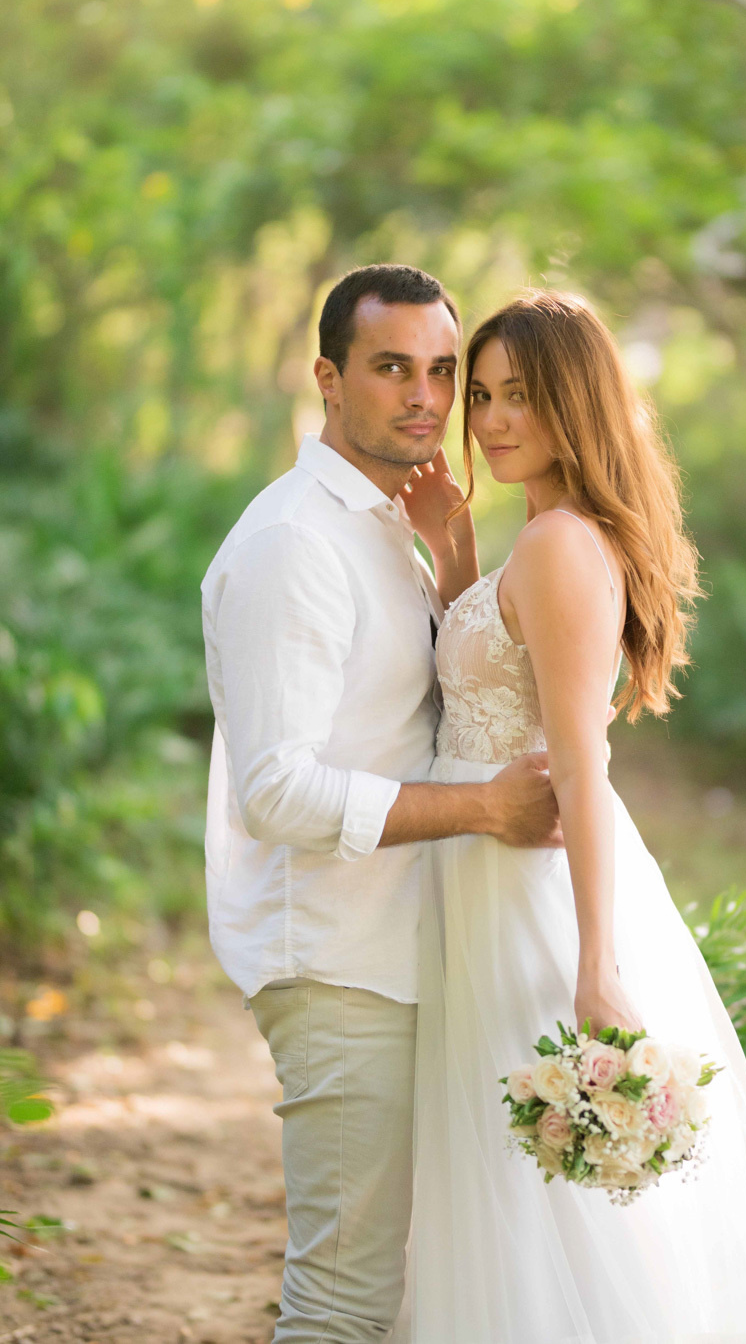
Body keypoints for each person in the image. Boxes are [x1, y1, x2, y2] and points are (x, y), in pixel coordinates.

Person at [394, 291, 746, 1344]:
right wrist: (453, 561)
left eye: (517, 395)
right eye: (477, 395)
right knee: (508, 1186)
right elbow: (498, 680)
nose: (485, 419)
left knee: (558, 1198)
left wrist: (596, 961)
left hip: (533, 889)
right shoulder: (539, 538)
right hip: (482, 873)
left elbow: (580, 756)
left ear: (573, 399)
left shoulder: (564, 546)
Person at [200, 264, 561, 1344]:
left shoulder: (385, 527)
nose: (425, 399)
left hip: (406, 948)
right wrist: (485, 812)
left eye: (442, 372)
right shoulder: (291, 545)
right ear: (327, 377)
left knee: (410, 1292)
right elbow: (274, 789)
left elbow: (430, 708)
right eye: (390, 368)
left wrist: (453, 561)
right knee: (343, 1297)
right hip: (337, 960)